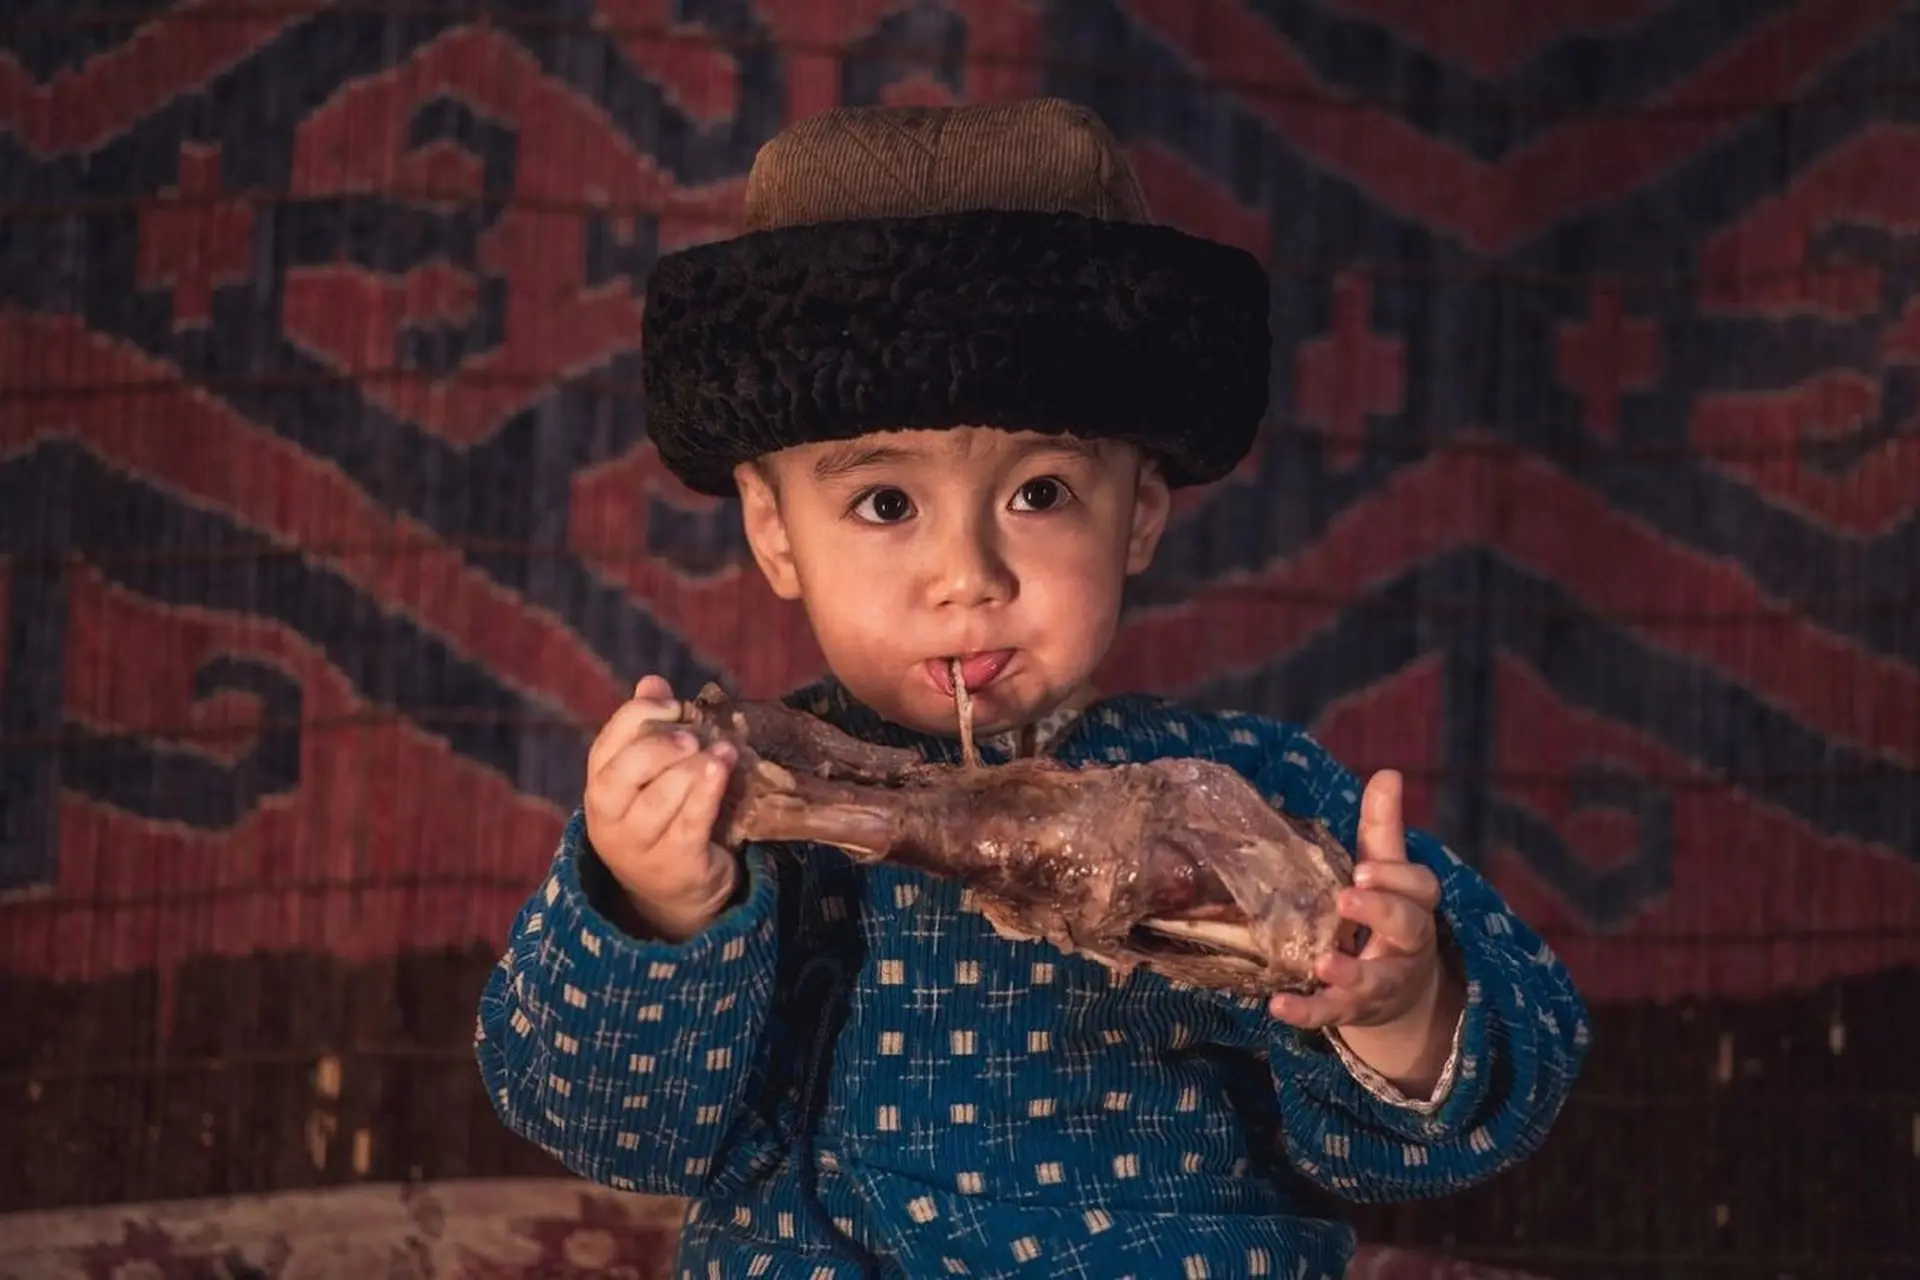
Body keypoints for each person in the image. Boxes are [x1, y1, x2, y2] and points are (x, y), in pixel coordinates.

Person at [476, 98, 1587, 1280]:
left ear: (1140, 511)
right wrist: (657, 905)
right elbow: (616, 1132)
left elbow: (1438, 1134)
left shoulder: (1250, 800)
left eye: (1040, 493)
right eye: (886, 503)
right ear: (775, 528)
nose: (969, 575)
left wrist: (1395, 1006)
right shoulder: (738, 808)